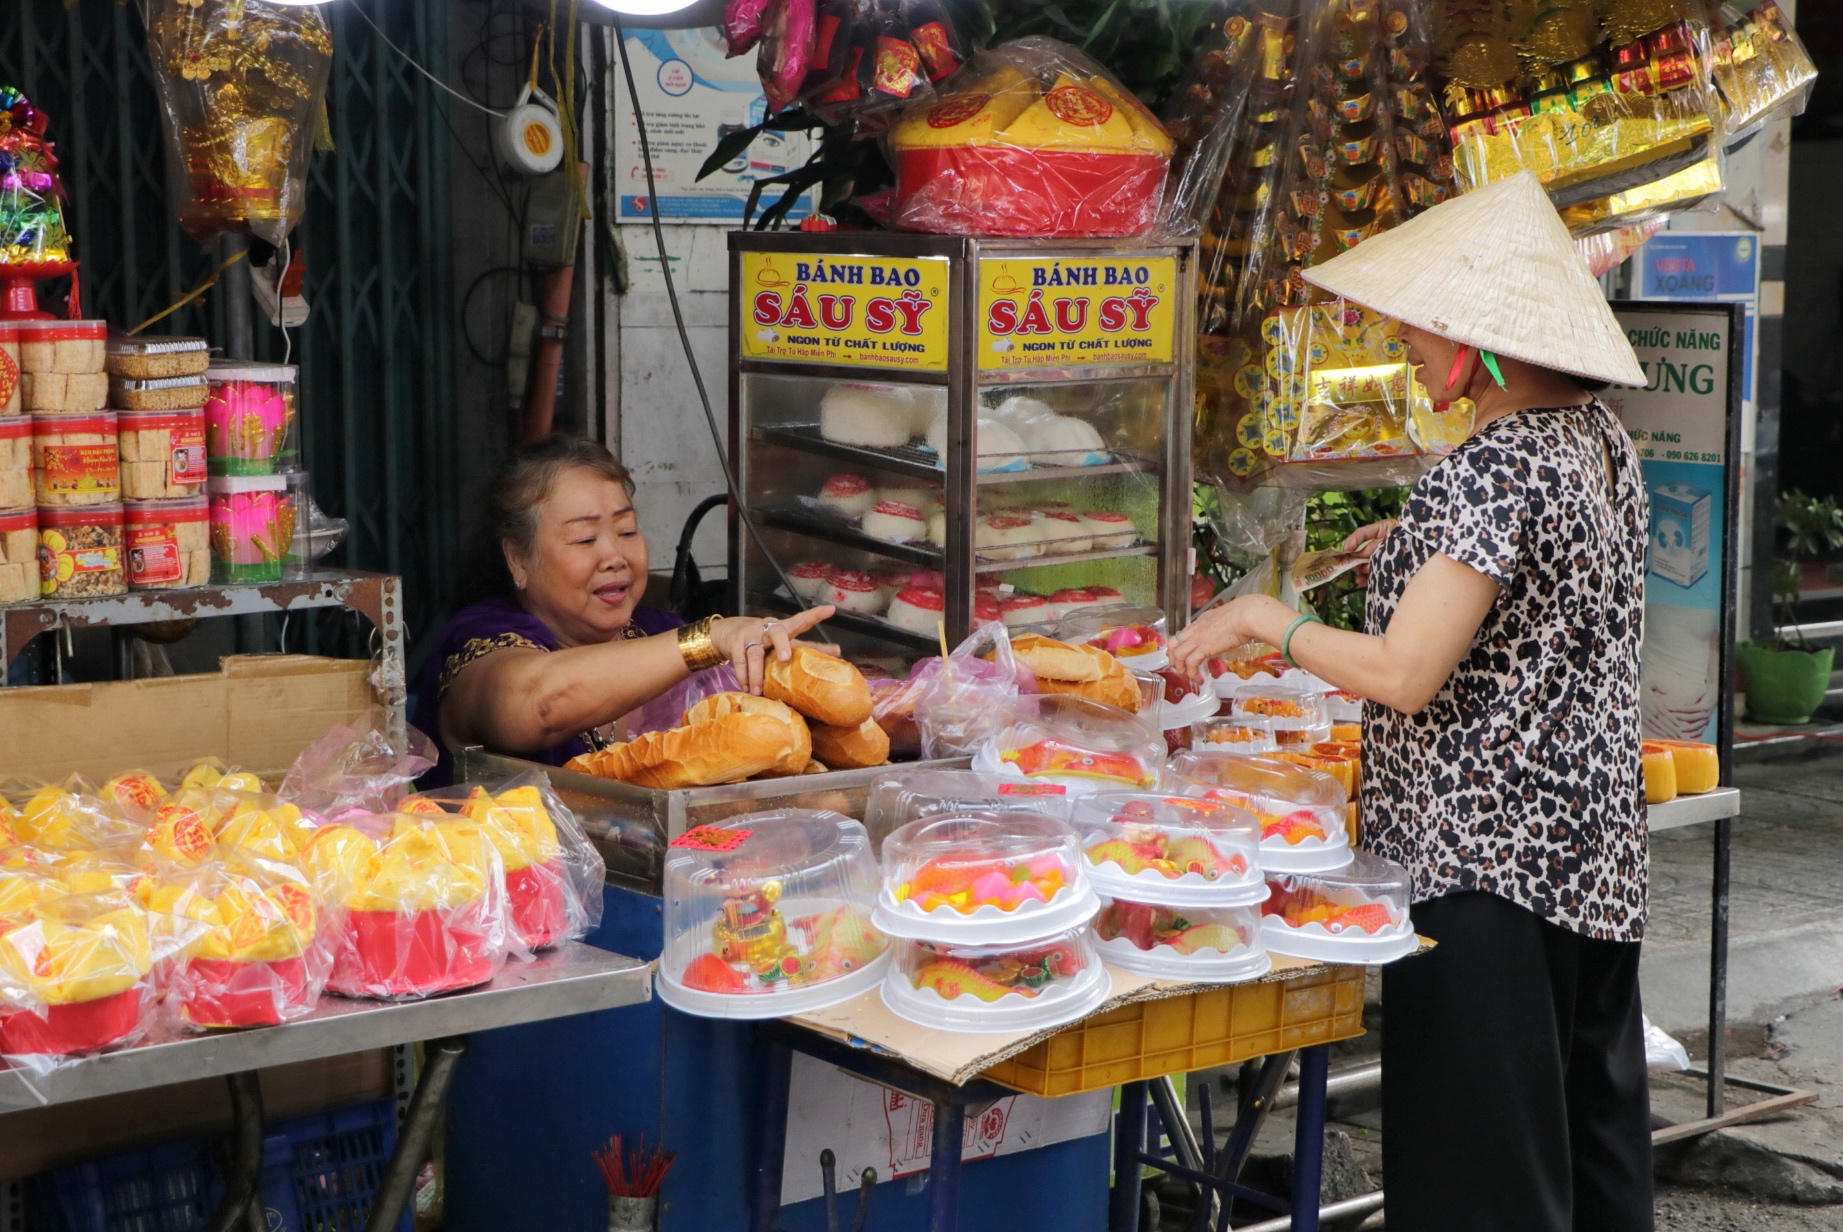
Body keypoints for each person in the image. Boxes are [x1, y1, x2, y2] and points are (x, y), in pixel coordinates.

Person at [1169, 171, 1655, 1231]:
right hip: (1592, 857)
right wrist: (1412, 547)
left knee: (1484, 1185)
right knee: (1590, 1154)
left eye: (1426, 328)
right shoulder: (1594, 439)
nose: (1409, 346)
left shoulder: (1486, 468)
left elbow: (1402, 673)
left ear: (1485, 339)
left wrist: (1260, 620)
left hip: (1482, 872)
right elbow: (1549, 584)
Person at [412, 435, 834, 786]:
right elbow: (538, 703)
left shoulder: (654, 631)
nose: (615, 555)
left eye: (627, 531)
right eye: (584, 540)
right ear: (519, 560)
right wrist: (710, 638)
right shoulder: (478, 636)